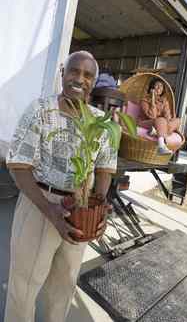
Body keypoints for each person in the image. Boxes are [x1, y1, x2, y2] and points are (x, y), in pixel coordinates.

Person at [4, 51, 118, 322]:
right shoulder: (40, 110)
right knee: (24, 286)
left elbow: (104, 169)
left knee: (63, 287)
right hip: (39, 201)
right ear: (62, 74)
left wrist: (99, 208)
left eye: (87, 75)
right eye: (74, 71)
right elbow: (19, 166)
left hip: (80, 208)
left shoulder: (100, 122)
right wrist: (50, 210)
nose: (80, 79)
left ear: (94, 82)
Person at [137, 77, 180, 155]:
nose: (159, 88)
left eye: (161, 86)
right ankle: (161, 146)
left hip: (159, 125)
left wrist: (166, 122)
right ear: (152, 88)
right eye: (157, 85)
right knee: (161, 120)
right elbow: (152, 116)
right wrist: (153, 99)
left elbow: (168, 117)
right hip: (145, 123)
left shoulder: (164, 101)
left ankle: (157, 132)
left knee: (177, 120)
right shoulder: (145, 100)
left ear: (163, 90)